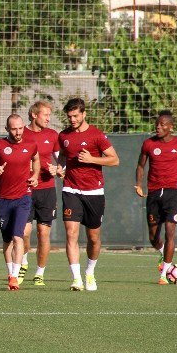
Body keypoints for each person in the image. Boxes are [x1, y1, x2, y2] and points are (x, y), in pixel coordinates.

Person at [53, 98, 119, 291]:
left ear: (84, 114)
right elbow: (64, 155)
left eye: (75, 116)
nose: (72, 120)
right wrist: (60, 168)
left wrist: (91, 159)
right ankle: (76, 279)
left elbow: (114, 160)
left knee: (93, 237)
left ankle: (89, 273)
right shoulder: (64, 135)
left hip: (94, 191)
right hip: (71, 189)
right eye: (69, 116)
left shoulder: (96, 135)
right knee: (71, 233)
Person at [135, 110, 177, 284]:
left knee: (170, 232)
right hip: (154, 193)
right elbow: (141, 166)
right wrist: (138, 184)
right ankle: (163, 254)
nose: (158, 127)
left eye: (163, 124)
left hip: (173, 193)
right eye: (157, 124)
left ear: (171, 127)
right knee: (153, 237)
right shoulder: (148, 144)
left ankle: (164, 275)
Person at [0, 114, 40, 290]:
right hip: (4, 200)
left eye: (21, 128)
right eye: (14, 128)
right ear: (7, 129)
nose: (18, 132)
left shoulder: (30, 144)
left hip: (23, 197)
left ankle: (14, 277)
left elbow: (36, 159)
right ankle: (10, 273)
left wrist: (35, 176)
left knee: (17, 236)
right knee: (7, 241)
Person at [19, 101, 60, 285]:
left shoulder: (52, 135)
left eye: (49, 115)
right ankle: (24, 262)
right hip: (25, 190)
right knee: (24, 233)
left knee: (43, 233)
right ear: (34, 115)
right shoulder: (21, 132)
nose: (48, 118)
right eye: (45, 114)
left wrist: (58, 169)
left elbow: (62, 164)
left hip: (47, 190)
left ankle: (40, 273)